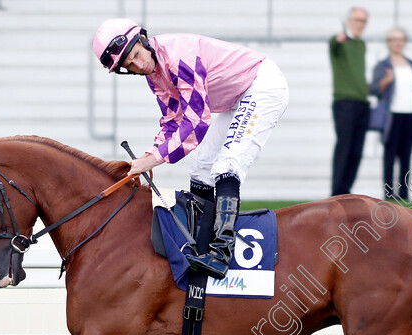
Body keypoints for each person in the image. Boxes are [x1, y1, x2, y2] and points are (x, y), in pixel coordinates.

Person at [92, 19, 289, 280]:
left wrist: (154, 160)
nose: (138, 65)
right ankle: (201, 246)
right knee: (201, 168)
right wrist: (148, 156)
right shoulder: (154, 77)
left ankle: (221, 255)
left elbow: (196, 124)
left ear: (143, 40)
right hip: (237, 98)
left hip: (262, 87)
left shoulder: (179, 57)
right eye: (129, 65)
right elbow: (172, 121)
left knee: (226, 166)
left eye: (137, 55)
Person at [369, 27, 412, 201]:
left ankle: (404, 194)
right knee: (389, 158)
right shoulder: (383, 65)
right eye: (394, 39)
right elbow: (373, 89)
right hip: (392, 117)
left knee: (406, 157)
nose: (398, 42)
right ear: (388, 42)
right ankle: (388, 194)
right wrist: (387, 80)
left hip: (410, 116)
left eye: (401, 39)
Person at [329, 7, 370, 196]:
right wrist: (340, 38)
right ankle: (337, 191)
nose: (360, 24)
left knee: (357, 150)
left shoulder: (361, 45)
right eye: (357, 20)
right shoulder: (339, 42)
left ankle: (346, 190)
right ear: (349, 20)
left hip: (363, 104)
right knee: (344, 146)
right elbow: (334, 45)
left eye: (364, 21)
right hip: (345, 103)